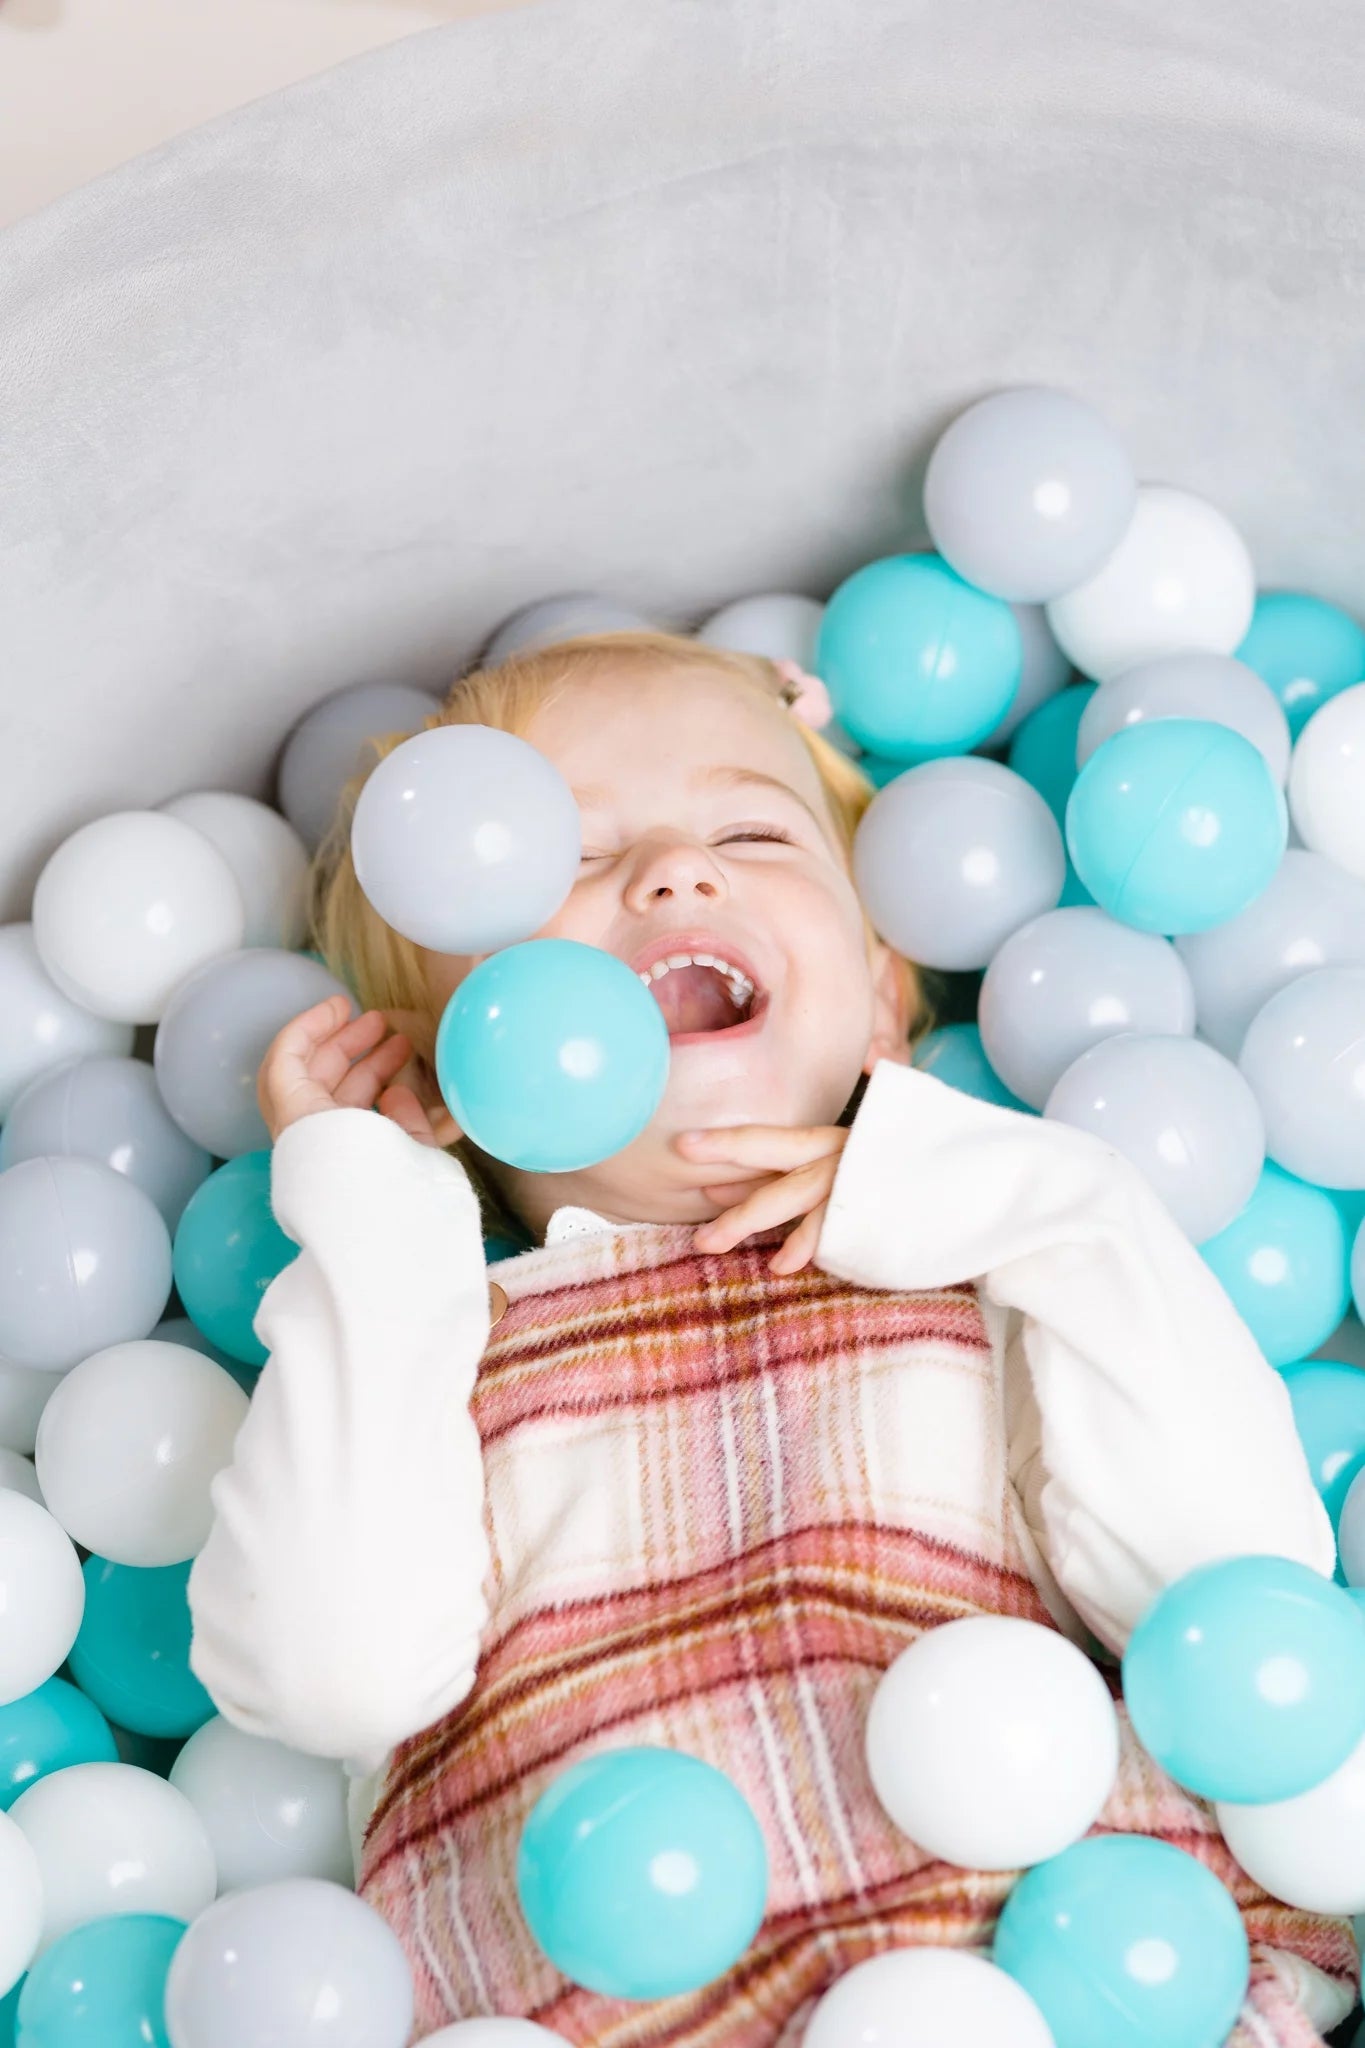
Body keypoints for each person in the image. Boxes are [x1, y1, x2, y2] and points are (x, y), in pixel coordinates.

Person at [188, 632, 1358, 2044]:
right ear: (445, 1069)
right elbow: (330, 1672)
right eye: (561, 861)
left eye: (751, 827)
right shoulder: (436, 1356)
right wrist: (371, 1226)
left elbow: (1225, 1577)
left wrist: (1044, 1206)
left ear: (880, 996)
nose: (676, 873)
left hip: (1090, 1981)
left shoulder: (999, 1265)